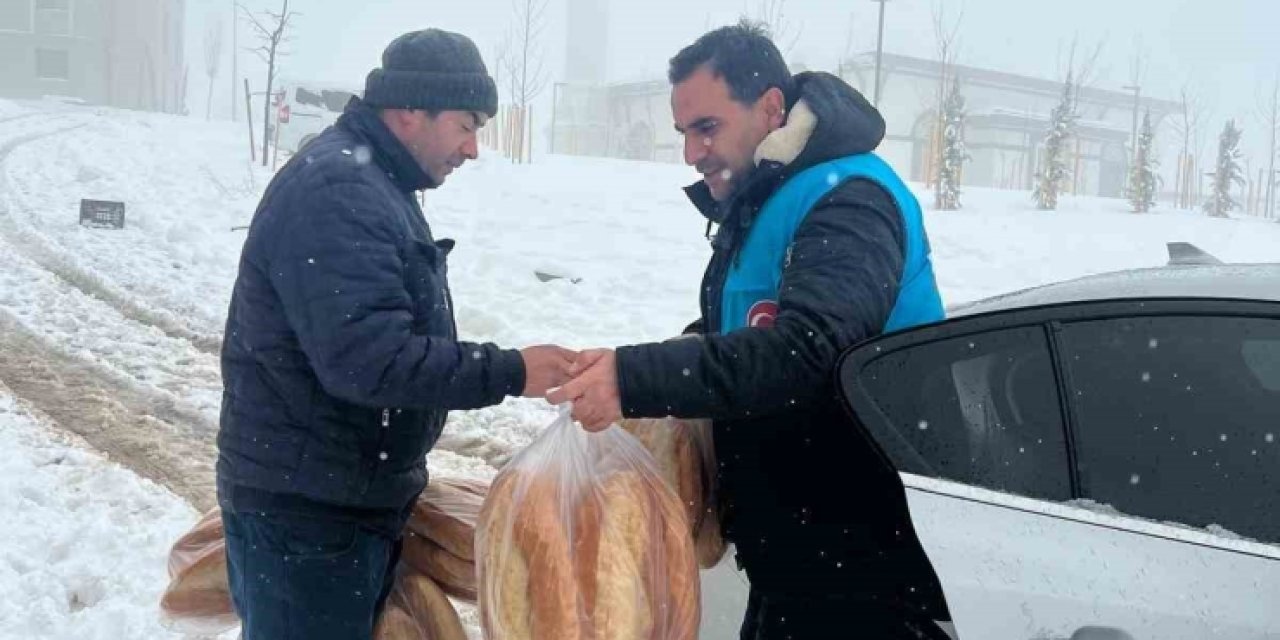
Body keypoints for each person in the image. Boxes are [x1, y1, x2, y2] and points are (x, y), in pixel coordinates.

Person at [549, 20, 955, 639]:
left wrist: (635, 377)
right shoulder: (772, 195)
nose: (691, 152)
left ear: (770, 107)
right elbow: (746, 322)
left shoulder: (850, 198)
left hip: (861, 571)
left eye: (706, 127)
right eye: (684, 133)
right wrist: (666, 359)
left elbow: (811, 350)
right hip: (795, 561)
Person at [216, 29, 574, 640]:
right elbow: (369, 363)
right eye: (466, 124)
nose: (473, 147)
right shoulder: (339, 191)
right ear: (410, 110)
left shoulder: (374, 184)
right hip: (309, 515)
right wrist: (512, 371)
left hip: (337, 501)